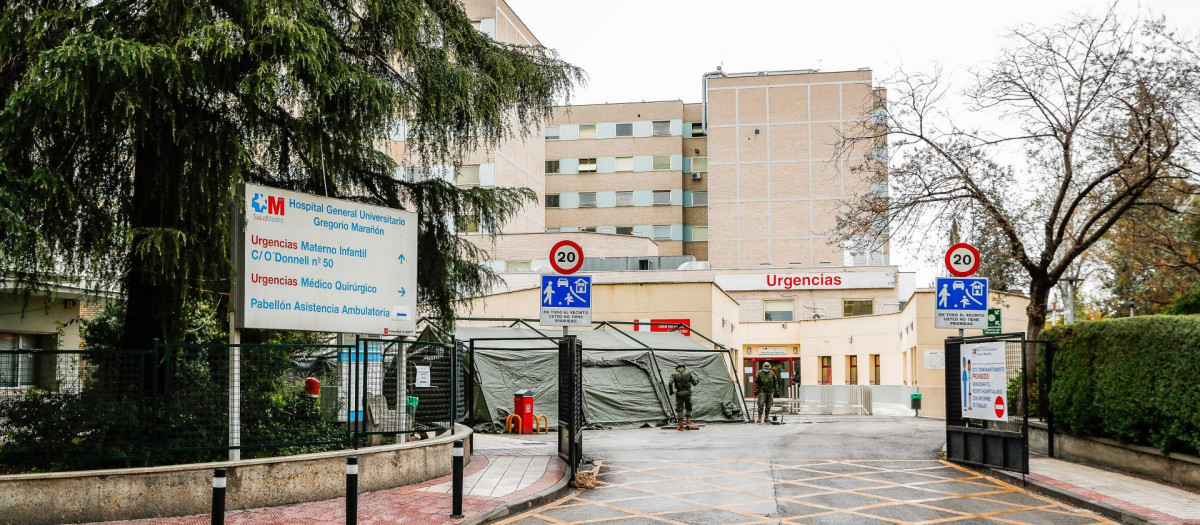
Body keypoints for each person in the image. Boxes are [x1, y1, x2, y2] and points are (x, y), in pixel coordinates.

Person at [669, 363, 700, 431]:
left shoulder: (674, 374)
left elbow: (670, 383)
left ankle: (681, 426)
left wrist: (671, 391)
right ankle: (688, 423)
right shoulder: (688, 373)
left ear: (677, 367)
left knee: (680, 409)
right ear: (684, 367)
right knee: (688, 407)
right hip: (688, 393)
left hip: (679, 394)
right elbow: (694, 383)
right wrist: (697, 380)